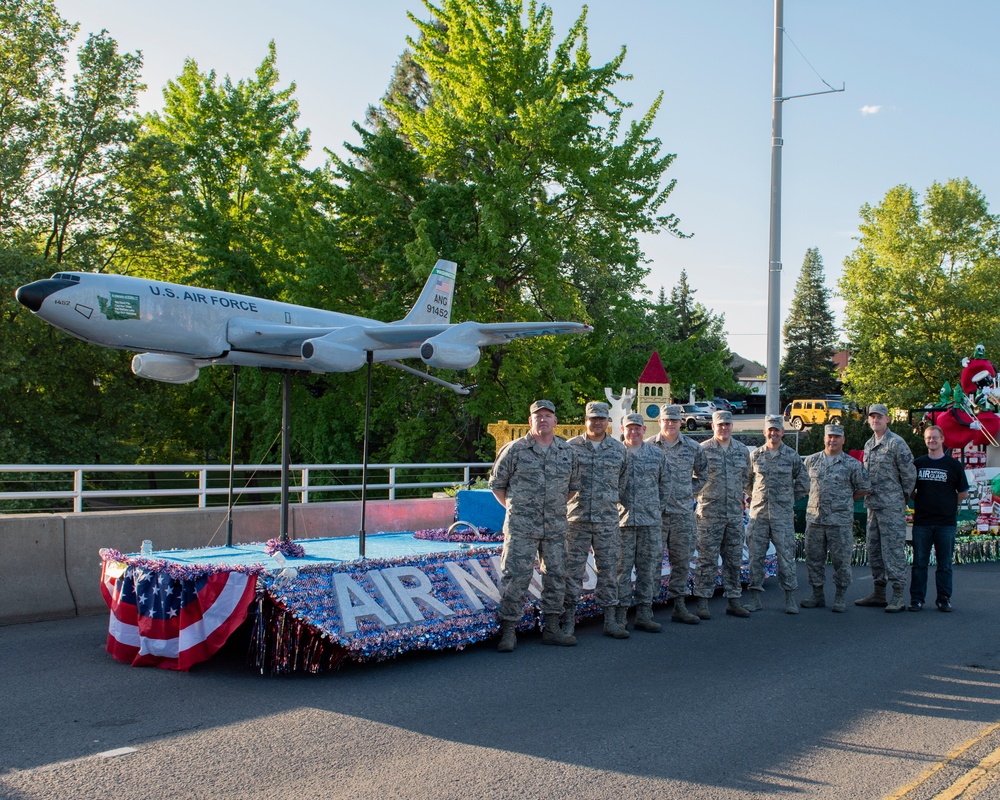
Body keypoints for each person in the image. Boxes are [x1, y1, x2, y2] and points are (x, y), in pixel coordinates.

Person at [489, 399, 580, 652]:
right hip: (521, 527)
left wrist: (552, 508)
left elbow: (572, 488)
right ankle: (508, 632)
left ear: (555, 421)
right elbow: (497, 485)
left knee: (556, 577)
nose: (543, 419)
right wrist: (515, 509)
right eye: (537, 416)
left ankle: (552, 628)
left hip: (554, 528)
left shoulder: (566, 452)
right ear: (530, 421)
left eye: (548, 415)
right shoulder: (514, 450)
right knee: (515, 577)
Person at [563, 401, 629, 640]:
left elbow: (623, 483)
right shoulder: (570, 448)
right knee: (572, 572)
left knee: (609, 570)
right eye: (593, 418)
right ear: (585, 420)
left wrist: (609, 502)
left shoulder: (618, 449)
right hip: (576, 519)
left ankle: (610, 621)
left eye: (602, 418)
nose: (597, 422)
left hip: (607, 521)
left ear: (607, 421)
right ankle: (568, 621)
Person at [647, 404, 709, 624]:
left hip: (683, 514)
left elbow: (703, 474)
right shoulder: (649, 447)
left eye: (674, 420)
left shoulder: (693, 448)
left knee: (681, 561)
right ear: (660, 422)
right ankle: (647, 608)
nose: (670, 424)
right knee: (652, 561)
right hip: (656, 515)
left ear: (681, 422)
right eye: (666, 420)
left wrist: (687, 492)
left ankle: (679, 605)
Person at [800, 424, 871, 612]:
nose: (833, 440)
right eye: (829, 437)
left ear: (843, 440)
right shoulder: (811, 461)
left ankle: (840, 596)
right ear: (824, 438)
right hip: (815, 520)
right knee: (814, 559)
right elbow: (801, 483)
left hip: (839, 522)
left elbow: (864, 487)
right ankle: (817, 594)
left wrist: (847, 498)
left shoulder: (852, 464)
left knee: (841, 560)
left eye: (837, 437)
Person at [744, 415, 810, 614]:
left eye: (777, 430)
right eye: (769, 430)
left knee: (786, 558)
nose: (773, 433)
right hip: (759, 516)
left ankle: (790, 599)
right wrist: (756, 497)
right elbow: (746, 482)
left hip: (782, 517)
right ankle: (755, 599)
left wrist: (788, 499)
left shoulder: (791, 456)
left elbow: (804, 483)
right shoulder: (755, 455)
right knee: (756, 557)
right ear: (765, 432)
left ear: (782, 432)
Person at [857, 403, 917, 613]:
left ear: (888, 419)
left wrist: (901, 498)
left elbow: (909, 474)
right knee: (874, 551)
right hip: (872, 507)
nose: (876, 420)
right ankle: (879, 593)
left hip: (891, 508)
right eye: (872, 417)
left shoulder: (896, 443)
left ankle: (898, 595)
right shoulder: (868, 443)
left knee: (892, 551)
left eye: (879, 417)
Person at [693, 409, 753, 619]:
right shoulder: (703, 450)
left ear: (732, 426)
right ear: (713, 426)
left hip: (734, 515)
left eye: (727, 424)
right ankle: (702, 601)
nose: (724, 428)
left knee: (734, 558)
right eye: (720, 425)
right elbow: (695, 478)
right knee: (706, 559)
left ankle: (734, 600)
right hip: (709, 514)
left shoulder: (741, 450)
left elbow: (745, 479)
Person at [616, 413, 671, 633]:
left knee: (648, 569)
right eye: (629, 428)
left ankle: (644, 614)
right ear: (623, 430)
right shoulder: (616, 454)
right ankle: (619, 616)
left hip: (650, 522)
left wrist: (655, 509)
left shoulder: (657, 455)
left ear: (644, 430)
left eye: (637, 428)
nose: (634, 432)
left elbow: (665, 485)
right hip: (623, 522)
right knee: (621, 570)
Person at [909, 424, 969, 612]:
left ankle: (944, 599)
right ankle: (917, 599)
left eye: (935, 437)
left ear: (942, 439)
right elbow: (910, 490)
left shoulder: (953, 465)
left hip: (946, 523)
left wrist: (948, 504)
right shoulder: (918, 464)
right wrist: (922, 500)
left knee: (944, 565)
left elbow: (964, 493)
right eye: (928, 438)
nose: (931, 441)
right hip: (922, 522)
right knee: (919, 564)